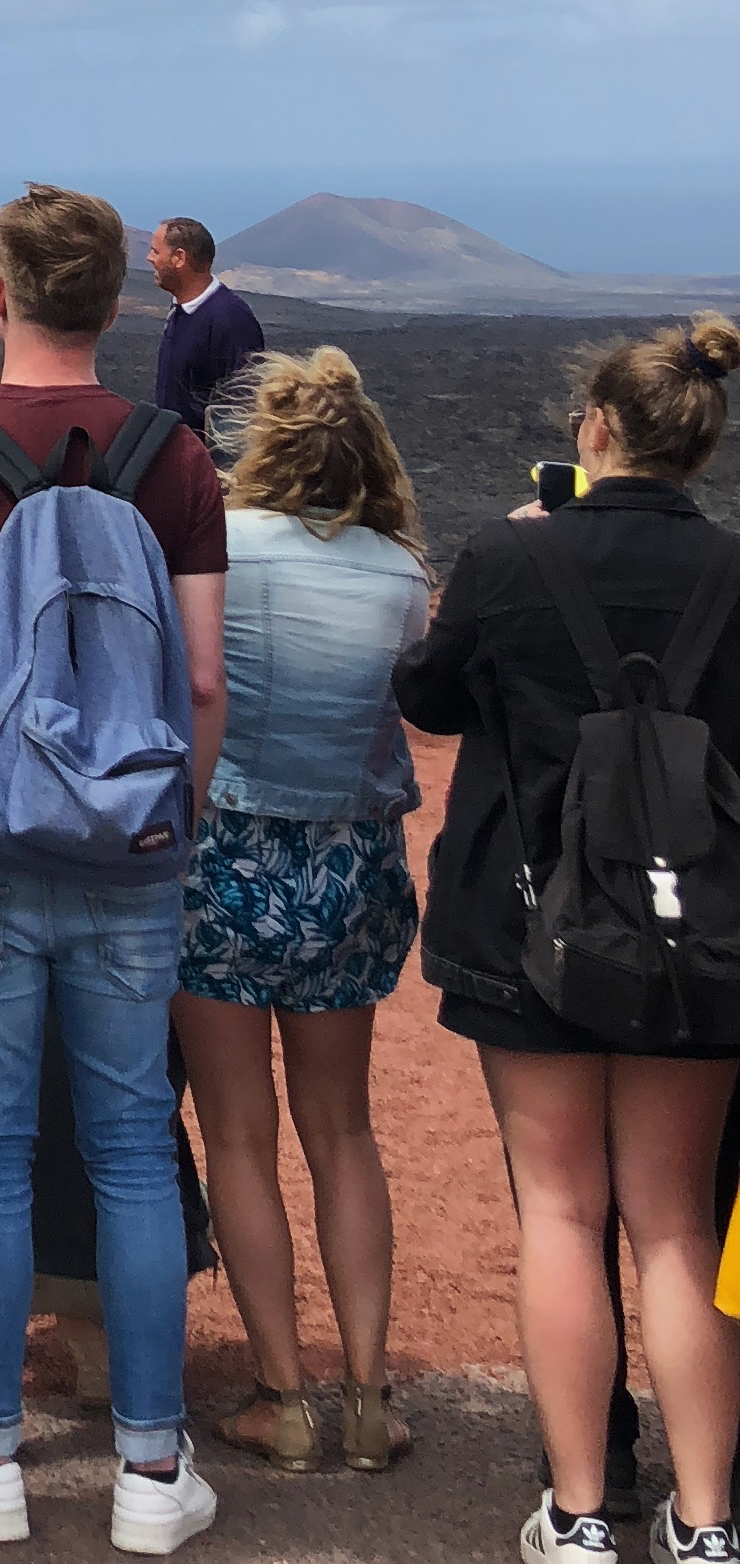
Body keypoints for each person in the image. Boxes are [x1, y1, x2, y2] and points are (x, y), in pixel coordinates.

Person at [0, 182, 228, 1554]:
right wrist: (171, 823)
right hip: (134, 851)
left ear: (0, 295)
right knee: (133, 1141)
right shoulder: (174, 457)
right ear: (116, 302)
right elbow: (204, 681)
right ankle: (151, 1470)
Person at [395, 313, 740, 1564]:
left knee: (557, 1209)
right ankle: (706, 1520)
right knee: (675, 1223)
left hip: (529, 920)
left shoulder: (509, 554)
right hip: (699, 935)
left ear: (594, 430)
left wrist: (507, 563)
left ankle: (581, 1509)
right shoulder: (735, 573)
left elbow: (427, 696)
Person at [171, 347, 429, 1478]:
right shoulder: (401, 573)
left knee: (238, 1132)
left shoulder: (218, 551)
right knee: (344, 1131)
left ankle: (282, 1398)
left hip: (225, 860)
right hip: (350, 867)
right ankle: (368, 1397)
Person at [147, 223, 265, 456]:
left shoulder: (230, 318)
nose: (150, 258)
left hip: (205, 467)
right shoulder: (181, 312)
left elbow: (244, 405)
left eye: (156, 251)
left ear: (179, 258)